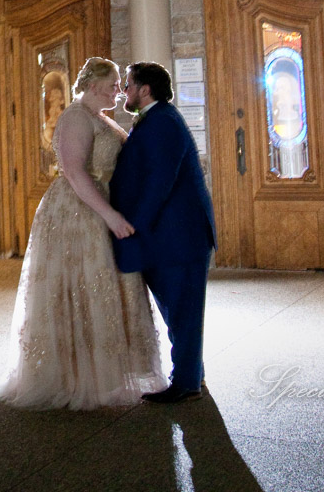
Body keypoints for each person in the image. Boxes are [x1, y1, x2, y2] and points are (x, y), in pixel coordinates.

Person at [0, 57, 164, 409]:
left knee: (100, 286)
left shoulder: (100, 117)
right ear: (92, 85)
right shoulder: (75, 116)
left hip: (99, 204)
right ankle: (72, 376)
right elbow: (74, 173)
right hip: (77, 211)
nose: (119, 91)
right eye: (113, 84)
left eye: (120, 85)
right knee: (79, 285)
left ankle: (103, 373)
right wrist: (109, 215)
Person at [109, 61, 217, 404]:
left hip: (179, 235)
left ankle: (186, 383)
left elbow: (160, 181)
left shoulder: (163, 122)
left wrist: (132, 226)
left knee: (183, 311)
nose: (124, 92)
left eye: (128, 85)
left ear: (145, 90)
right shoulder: (155, 118)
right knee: (177, 311)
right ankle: (190, 375)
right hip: (168, 235)